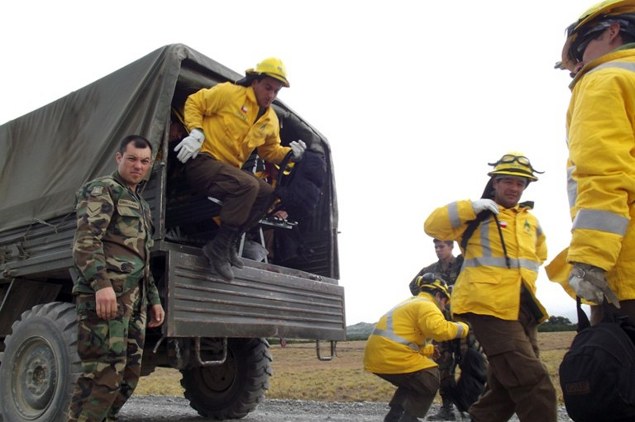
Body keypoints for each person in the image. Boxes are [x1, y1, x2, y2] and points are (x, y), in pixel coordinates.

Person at [424, 152, 557, 422]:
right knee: (533, 379)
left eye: (521, 183)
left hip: (523, 309)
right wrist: (471, 207)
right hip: (487, 307)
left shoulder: (530, 222)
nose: (514, 188)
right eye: (508, 181)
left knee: (506, 384)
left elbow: (539, 255)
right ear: (494, 183)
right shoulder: (478, 215)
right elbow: (432, 225)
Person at [174, 57, 306, 281]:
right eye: (268, 87)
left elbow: (269, 151)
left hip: (227, 173)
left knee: (267, 193)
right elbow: (195, 103)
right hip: (203, 163)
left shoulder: (271, 119)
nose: (271, 95)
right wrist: (196, 132)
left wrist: (291, 154)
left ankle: (226, 245)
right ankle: (220, 247)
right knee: (248, 184)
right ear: (255, 81)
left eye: (276, 91)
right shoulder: (229, 93)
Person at [68, 135, 166, 421]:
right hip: (106, 298)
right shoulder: (102, 189)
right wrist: (101, 286)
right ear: (119, 157)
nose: (138, 166)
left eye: (145, 161)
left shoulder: (141, 204)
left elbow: (143, 257)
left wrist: (154, 301)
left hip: (133, 302)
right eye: (132, 159)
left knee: (128, 377)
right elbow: (86, 241)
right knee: (102, 376)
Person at [551, 0, 635, 326]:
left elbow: (604, 174)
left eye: (581, 49)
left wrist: (590, 261)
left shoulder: (604, 80)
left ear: (612, 31)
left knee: (614, 371)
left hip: (626, 272)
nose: (577, 64)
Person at [363, 274, 469, 422]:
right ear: (438, 295)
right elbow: (439, 330)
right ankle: (409, 419)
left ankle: (394, 417)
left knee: (414, 381)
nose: (444, 305)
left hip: (381, 354)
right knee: (429, 377)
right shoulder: (427, 305)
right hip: (390, 354)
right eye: (445, 300)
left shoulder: (412, 302)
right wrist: (464, 328)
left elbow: (405, 340)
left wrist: (430, 350)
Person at [408, 239, 466, 421]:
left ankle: (469, 407)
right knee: (443, 366)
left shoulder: (463, 264)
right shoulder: (430, 270)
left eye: (442, 246)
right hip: (439, 325)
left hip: (463, 324)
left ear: (451, 247)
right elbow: (413, 286)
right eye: (436, 247)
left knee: (470, 363)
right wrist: (430, 300)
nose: (438, 250)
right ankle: (448, 408)